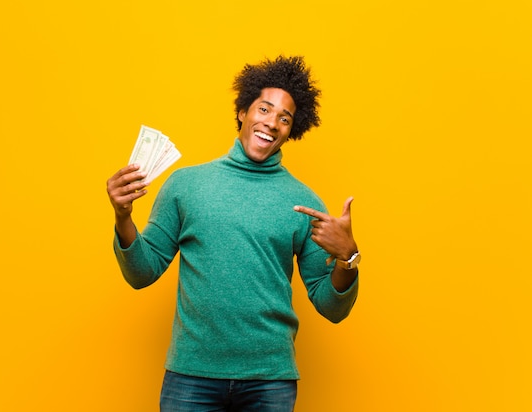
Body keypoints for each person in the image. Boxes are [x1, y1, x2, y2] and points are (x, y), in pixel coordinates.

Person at [106, 55, 360, 412]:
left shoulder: (304, 203)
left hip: (270, 380)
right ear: (243, 111)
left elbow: (331, 307)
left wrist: (348, 258)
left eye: (284, 118)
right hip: (191, 376)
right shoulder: (186, 186)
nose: (271, 123)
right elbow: (142, 272)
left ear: (292, 130)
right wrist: (122, 217)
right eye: (264, 109)